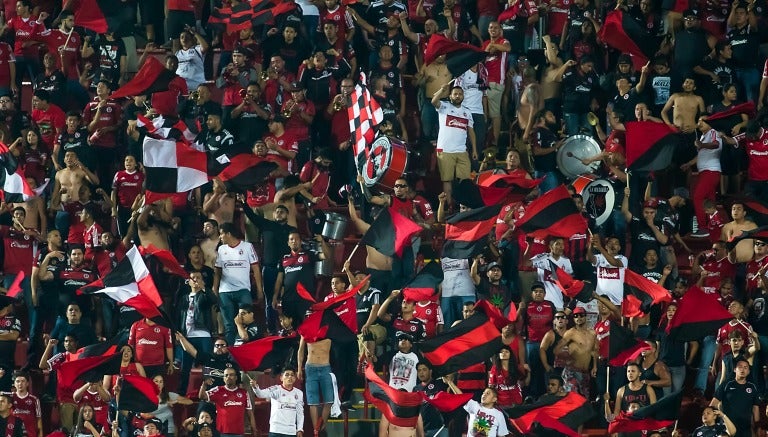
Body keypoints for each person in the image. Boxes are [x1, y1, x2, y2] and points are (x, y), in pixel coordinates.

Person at [213, 222, 264, 344]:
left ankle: (247, 348)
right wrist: (214, 289)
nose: (220, 237)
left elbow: (256, 268)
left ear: (229, 234)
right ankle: (231, 353)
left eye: (221, 234)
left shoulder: (247, 247)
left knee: (248, 321)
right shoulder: (221, 249)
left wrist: (259, 290)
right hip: (225, 292)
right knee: (229, 325)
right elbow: (217, 271)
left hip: (243, 290)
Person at [430, 83, 476, 204]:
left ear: (463, 97)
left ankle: (464, 205)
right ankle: (449, 206)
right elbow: (434, 101)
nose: (458, 96)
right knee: (447, 180)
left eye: (460, 94)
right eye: (455, 94)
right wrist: (441, 89)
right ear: (450, 96)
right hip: (445, 150)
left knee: (465, 181)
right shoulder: (444, 106)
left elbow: (471, 132)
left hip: (462, 151)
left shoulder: (467, 112)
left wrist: (475, 149)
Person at [199, 367, 258, 437]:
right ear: (223, 379)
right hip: (221, 432)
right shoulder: (218, 390)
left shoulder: (244, 393)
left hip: (238, 433)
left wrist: (254, 430)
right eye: (226, 375)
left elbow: (250, 413)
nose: (228, 377)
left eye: (231, 375)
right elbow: (202, 396)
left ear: (236, 377)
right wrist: (204, 385)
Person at [711, 356, 760, 437]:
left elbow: (755, 408)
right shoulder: (726, 384)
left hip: (746, 429)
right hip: (727, 427)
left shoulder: (752, 387)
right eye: (740, 367)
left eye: (745, 368)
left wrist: (757, 426)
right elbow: (713, 404)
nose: (742, 370)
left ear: (748, 371)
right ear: (734, 370)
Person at [555, 306, 597, 400]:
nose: (579, 318)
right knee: (571, 398)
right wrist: (566, 358)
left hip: (585, 372)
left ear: (585, 317)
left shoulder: (592, 333)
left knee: (584, 400)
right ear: (573, 318)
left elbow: (594, 351)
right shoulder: (570, 333)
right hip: (572, 371)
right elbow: (557, 349)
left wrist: (594, 366)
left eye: (581, 315)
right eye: (576, 316)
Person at [250, 368, 304, 437]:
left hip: (291, 432)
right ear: (281, 378)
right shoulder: (275, 389)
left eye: (292, 375)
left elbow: (300, 413)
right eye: (287, 375)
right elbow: (261, 394)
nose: (290, 377)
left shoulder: (299, 393)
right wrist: (255, 387)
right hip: (276, 430)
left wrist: (300, 429)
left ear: (295, 378)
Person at [671, 406, 736, 437]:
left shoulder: (721, 427)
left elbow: (733, 432)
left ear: (715, 416)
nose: (705, 415)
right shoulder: (697, 430)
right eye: (703, 414)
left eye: (708, 413)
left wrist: (723, 416)